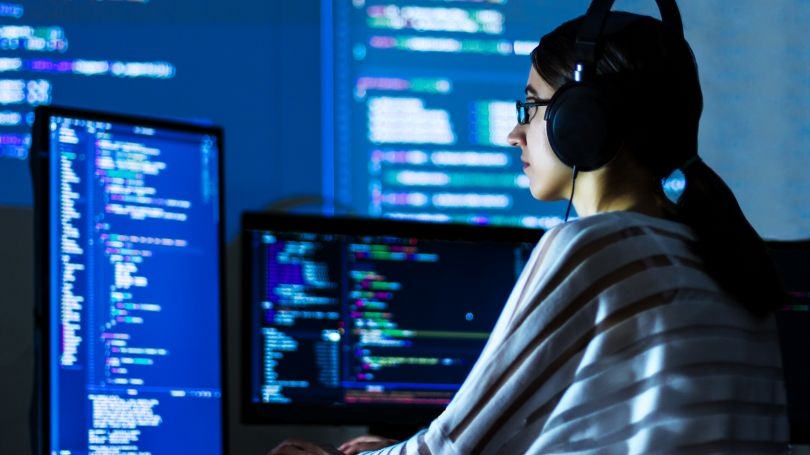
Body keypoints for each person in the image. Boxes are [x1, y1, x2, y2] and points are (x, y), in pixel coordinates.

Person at [268, 2, 789, 453]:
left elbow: (450, 450)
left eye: (532, 106)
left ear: (583, 120)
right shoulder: (722, 254)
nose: (514, 133)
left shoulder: (599, 247)